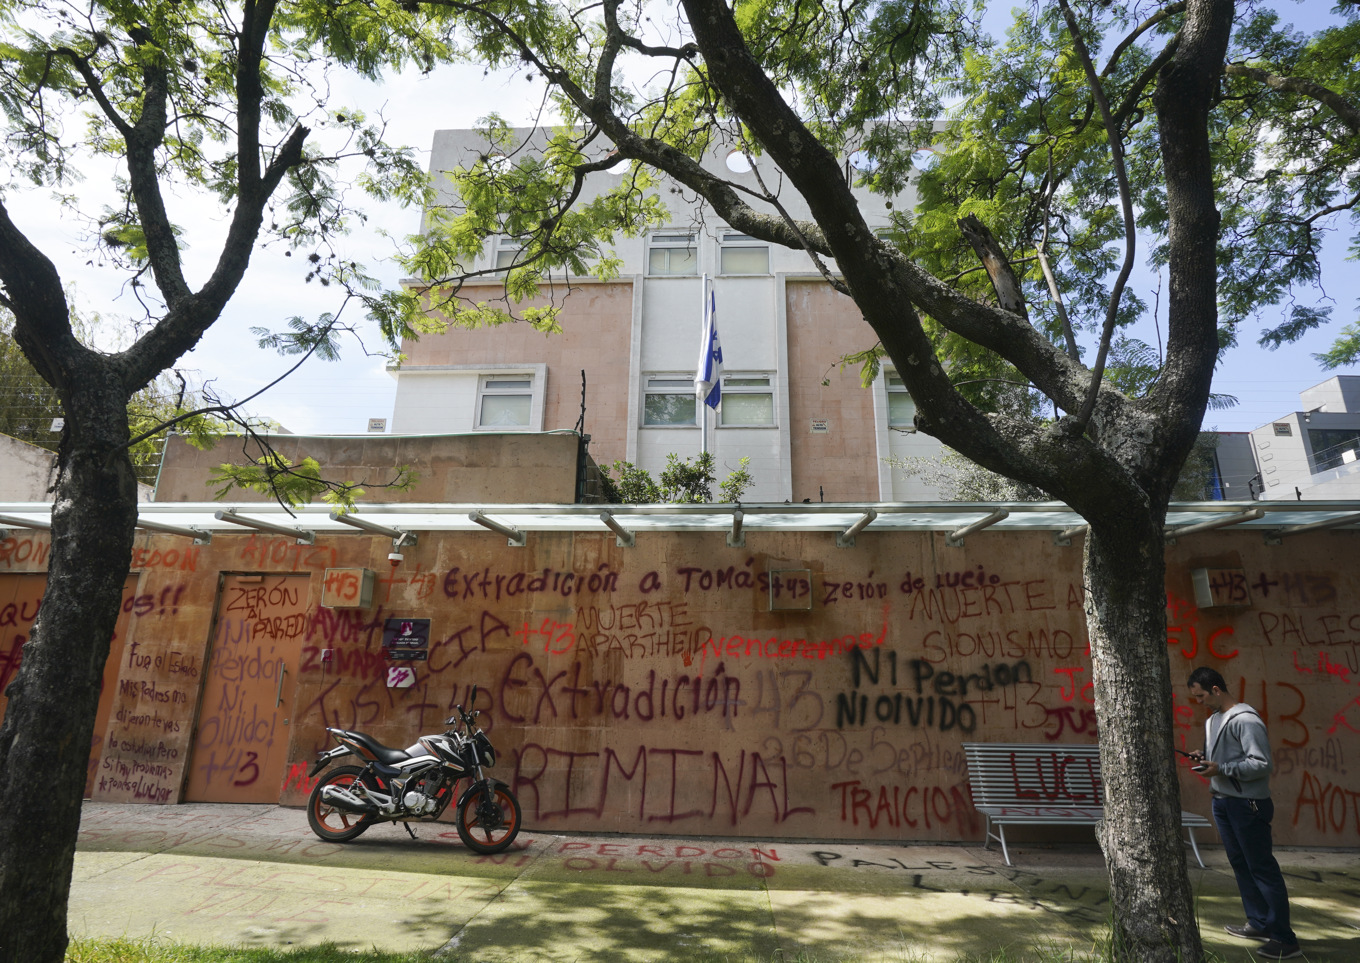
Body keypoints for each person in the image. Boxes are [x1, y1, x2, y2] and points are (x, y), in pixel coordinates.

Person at [1187, 667, 1300, 961]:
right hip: (1223, 802)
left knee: (1262, 868)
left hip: (1247, 805)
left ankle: (1285, 939)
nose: (1198, 702)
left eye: (1201, 696)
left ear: (1216, 689)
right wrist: (1205, 759)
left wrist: (1222, 768)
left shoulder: (1246, 720)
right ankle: (1259, 923)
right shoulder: (1213, 720)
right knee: (1240, 864)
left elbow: (1261, 764)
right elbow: (1225, 758)